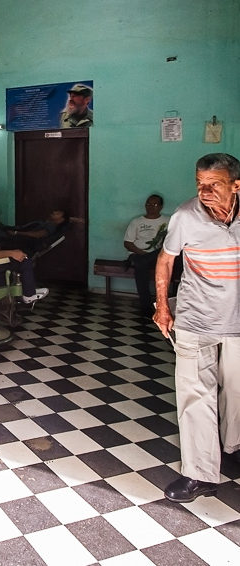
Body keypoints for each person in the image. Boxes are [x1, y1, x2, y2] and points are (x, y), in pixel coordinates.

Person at [154, 153, 240, 503]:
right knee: (195, 394)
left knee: (236, 391)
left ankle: (233, 446)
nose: (204, 192)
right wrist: (162, 306)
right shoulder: (185, 216)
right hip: (194, 317)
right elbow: (166, 259)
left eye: (213, 185)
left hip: (237, 319)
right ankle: (199, 474)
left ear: (236, 185)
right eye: (199, 184)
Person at [124, 194, 169, 317]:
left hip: (157, 256)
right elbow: (127, 243)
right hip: (138, 254)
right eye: (148, 204)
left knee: (146, 261)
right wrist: (143, 253)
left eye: (154, 204)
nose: (150, 207)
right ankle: (146, 306)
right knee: (141, 263)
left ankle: (150, 305)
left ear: (160, 206)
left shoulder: (167, 221)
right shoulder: (137, 222)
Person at [0, 209, 70, 256]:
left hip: (25, 243)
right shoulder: (47, 222)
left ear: (61, 220)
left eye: (58, 213)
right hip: (21, 239)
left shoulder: (52, 226)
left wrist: (16, 233)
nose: (54, 212)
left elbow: (38, 235)